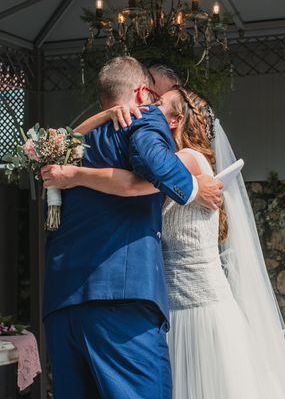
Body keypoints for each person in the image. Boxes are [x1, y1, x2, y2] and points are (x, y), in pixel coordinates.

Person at [43, 86, 285, 399]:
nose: (150, 106)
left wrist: (74, 175)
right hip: (176, 302)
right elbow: (56, 144)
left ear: (174, 120)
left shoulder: (187, 161)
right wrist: (107, 114)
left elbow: (131, 186)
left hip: (198, 304)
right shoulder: (174, 161)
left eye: (158, 103)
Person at [41, 56, 224, 399]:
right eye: (154, 96)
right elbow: (159, 167)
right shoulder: (141, 119)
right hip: (120, 297)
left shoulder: (65, 143)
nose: (156, 104)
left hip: (62, 302)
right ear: (141, 93)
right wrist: (193, 186)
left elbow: (35, 153)